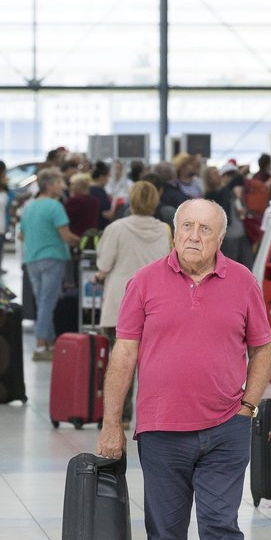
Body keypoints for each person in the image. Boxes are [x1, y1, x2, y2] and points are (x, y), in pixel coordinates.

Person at [97, 198, 271, 540]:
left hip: (226, 428)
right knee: (166, 534)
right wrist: (111, 422)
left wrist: (248, 406)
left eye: (205, 229)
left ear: (220, 238)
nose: (194, 236)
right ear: (174, 232)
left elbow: (262, 349)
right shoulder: (144, 282)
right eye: (187, 226)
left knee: (220, 525)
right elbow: (124, 354)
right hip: (160, 430)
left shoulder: (242, 282)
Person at [95, 181, 173, 427]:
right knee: (154, 364)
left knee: (119, 363)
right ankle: (155, 414)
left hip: (119, 302)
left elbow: (104, 264)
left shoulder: (116, 228)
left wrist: (99, 274)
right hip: (156, 304)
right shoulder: (164, 229)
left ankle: (122, 416)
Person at [19, 168, 79, 361]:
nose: (63, 187)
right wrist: (81, 241)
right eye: (60, 183)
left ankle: (50, 343)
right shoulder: (55, 206)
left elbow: (21, 235)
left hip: (32, 260)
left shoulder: (29, 207)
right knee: (47, 302)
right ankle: (40, 344)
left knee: (43, 302)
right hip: (52, 259)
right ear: (50, 185)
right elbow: (66, 236)